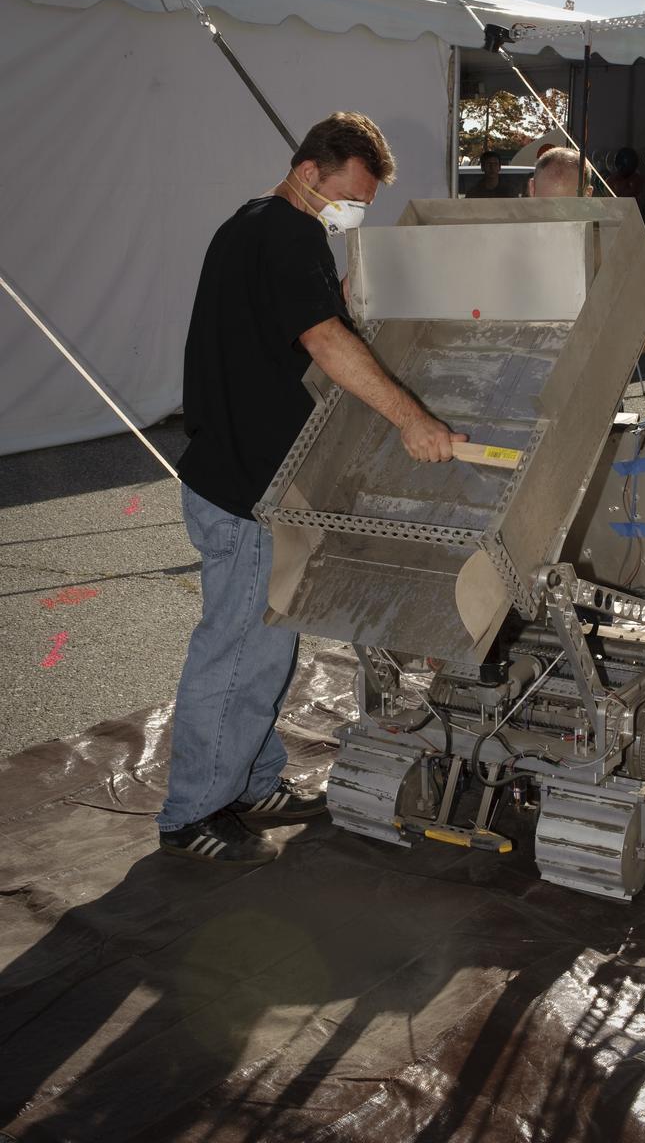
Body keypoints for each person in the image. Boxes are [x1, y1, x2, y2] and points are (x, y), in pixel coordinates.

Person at [158, 112, 467, 865]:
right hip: (244, 491)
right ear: (308, 173)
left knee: (266, 647)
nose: (350, 213)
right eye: (348, 197)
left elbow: (299, 328)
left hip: (243, 474)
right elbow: (325, 341)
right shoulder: (289, 234)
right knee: (234, 653)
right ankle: (193, 811)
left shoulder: (249, 226)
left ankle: (253, 780)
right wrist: (411, 419)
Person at [528, 147, 645, 352]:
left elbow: (643, 337)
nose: (556, 217)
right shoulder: (507, 239)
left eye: (566, 207)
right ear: (532, 189)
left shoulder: (612, 243)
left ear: (588, 195)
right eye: (547, 205)